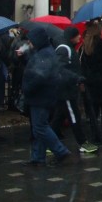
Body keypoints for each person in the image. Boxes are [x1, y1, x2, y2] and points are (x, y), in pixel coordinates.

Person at [21, 27, 71, 167]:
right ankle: (38, 157)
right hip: (41, 95)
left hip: (41, 96)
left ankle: (61, 151)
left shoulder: (45, 54)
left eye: (31, 41)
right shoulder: (42, 52)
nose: (29, 43)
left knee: (40, 127)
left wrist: (27, 87)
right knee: (38, 128)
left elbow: (40, 76)